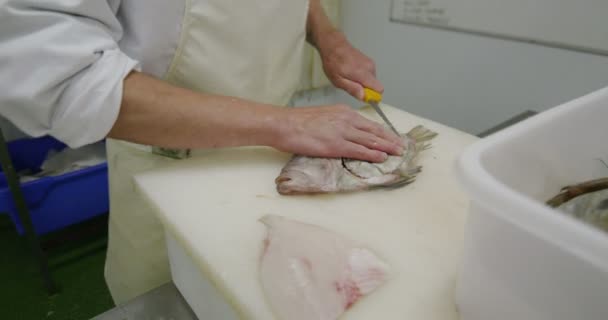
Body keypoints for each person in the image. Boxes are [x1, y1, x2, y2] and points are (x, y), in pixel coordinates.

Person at [0, 0, 404, 305]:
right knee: (179, 298)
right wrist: (285, 124)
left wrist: (329, 39)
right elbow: (56, 74)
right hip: (168, 166)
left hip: (278, 156)